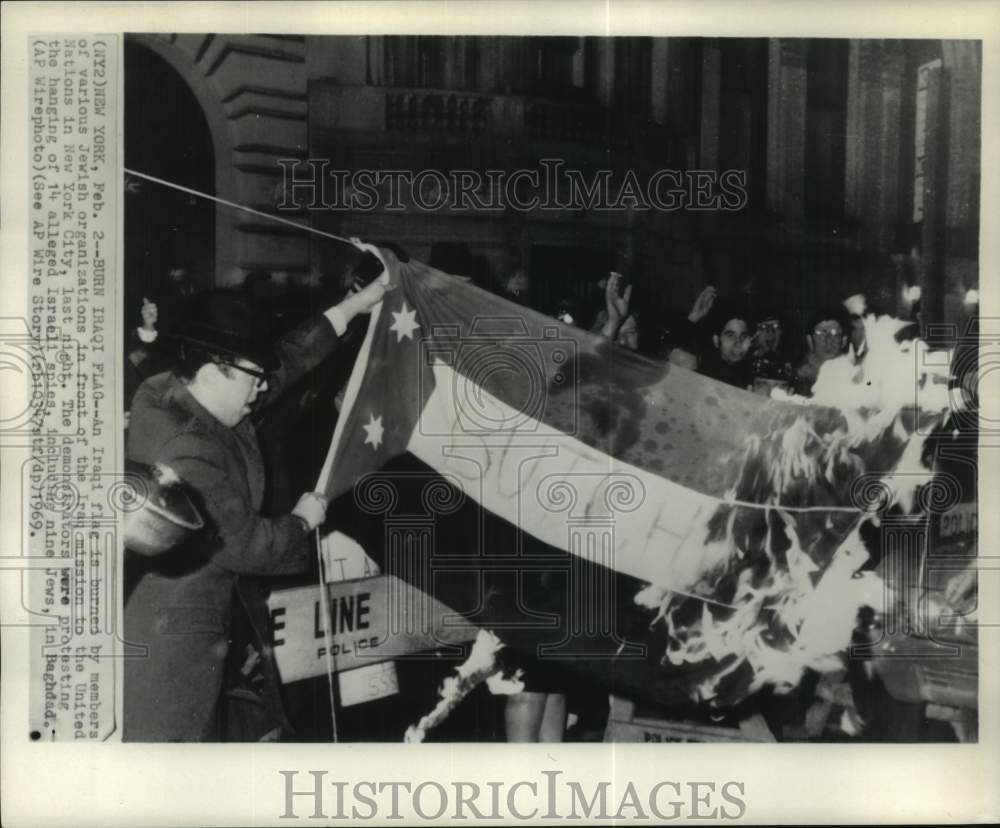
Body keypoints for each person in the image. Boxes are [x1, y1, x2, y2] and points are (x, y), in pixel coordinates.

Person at [123, 252, 391, 741]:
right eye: (253, 378)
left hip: (212, 620)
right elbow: (247, 544)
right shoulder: (186, 450)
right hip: (175, 641)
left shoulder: (178, 389)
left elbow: (285, 360)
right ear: (213, 370)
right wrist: (305, 521)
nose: (264, 388)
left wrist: (356, 306)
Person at [794, 305, 851, 396]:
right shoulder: (798, 378)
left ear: (844, 340)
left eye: (834, 333)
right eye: (820, 334)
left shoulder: (853, 375)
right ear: (810, 341)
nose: (828, 341)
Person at [698, 301, 753, 389]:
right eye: (730, 336)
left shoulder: (754, 375)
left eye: (743, 336)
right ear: (716, 340)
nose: (738, 343)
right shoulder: (704, 377)